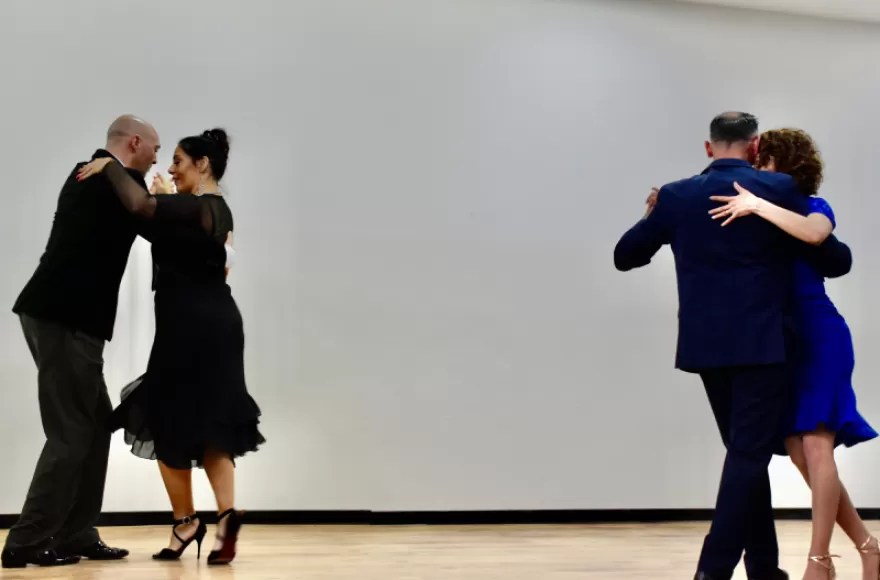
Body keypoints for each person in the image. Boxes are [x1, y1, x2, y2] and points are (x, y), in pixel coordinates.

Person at [614, 112, 854, 580]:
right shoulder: (779, 189)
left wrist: (653, 213)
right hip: (764, 344)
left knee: (746, 451)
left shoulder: (676, 196)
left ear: (709, 148)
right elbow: (835, 258)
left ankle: (764, 568)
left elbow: (626, 256)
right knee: (748, 454)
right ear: (753, 144)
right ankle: (713, 571)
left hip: (705, 347)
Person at [75, 128, 264, 566]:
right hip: (220, 323)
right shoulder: (219, 214)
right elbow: (168, 237)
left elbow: (141, 208)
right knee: (213, 419)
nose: (172, 170)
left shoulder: (194, 205)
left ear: (203, 165)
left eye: (178, 161)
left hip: (186, 326)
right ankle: (225, 517)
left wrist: (110, 167)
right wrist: (165, 206)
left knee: (163, 417)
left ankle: (185, 520)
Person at [709, 128, 878, 580]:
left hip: (820, 335)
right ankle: (869, 545)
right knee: (799, 453)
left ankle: (818, 561)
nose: (755, 173)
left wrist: (758, 204)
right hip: (780, 342)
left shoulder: (809, 205)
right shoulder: (752, 215)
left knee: (818, 447)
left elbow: (815, 235)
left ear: (781, 166)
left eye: (762, 164)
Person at [1, 115, 160, 569]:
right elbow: (152, 217)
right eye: (154, 148)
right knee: (71, 434)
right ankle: (26, 542)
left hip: (59, 316)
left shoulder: (89, 173)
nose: (157, 158)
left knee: (93, 428)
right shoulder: (113, 178)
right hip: (64, 319)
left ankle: (74, 532)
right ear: (134, 143)